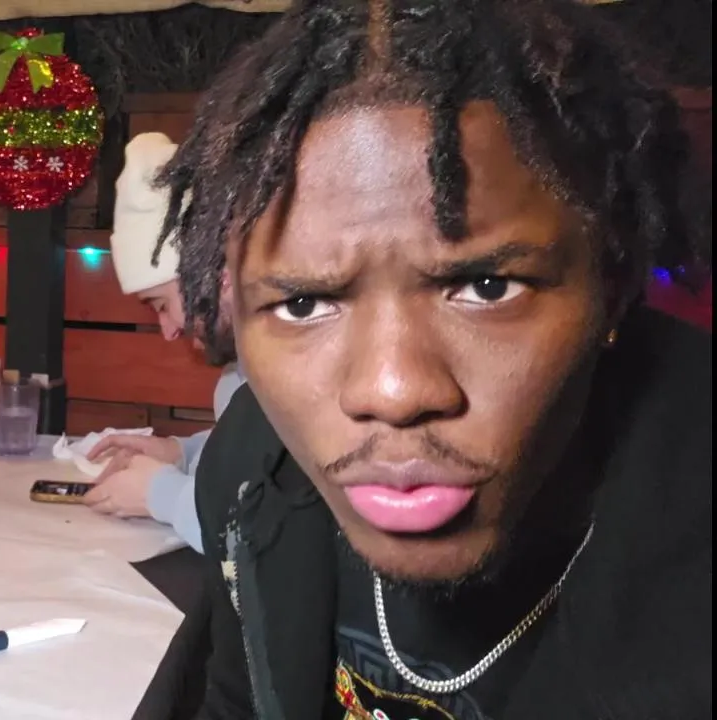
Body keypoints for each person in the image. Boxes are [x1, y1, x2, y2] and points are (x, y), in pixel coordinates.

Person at [155, 0, 711, 717]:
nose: (393, 391)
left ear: (612, 285)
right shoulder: (251, 469)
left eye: (486, 287)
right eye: (302, 303)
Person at [81, 132, 245, 553]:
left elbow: (265, 539)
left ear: (217, 276)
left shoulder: (295, 372)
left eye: (162, 304)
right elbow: (251, 463)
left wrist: (160, 494)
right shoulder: (242, 373)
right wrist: (178, 453)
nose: (169, 330)